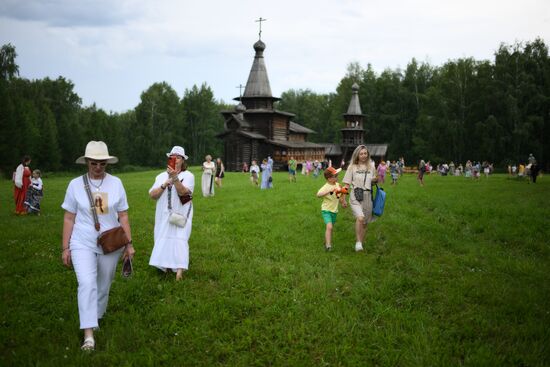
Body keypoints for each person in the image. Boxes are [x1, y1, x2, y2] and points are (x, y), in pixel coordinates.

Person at [61, 141, 134, 351]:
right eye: (94, 163)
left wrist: (129, 245)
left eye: (102, 163)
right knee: (86, 283)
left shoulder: (116, 183)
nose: (98, 167)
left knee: (104, 283)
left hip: (111, 242)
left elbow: (123, 215)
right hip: (82, 241)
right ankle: (89, 334)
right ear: (86, 162)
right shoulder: (75, 185)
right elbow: (68, 218)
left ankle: (97, 315)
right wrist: (65, 248)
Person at [149, 146, 194, 281]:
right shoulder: (160, 176)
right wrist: (164, 184)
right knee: (163, 237)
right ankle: (166, 266)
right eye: (172, 157)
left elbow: (183, 192)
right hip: (163, 213)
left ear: (182, 161)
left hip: (181, 212)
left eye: (178, 157)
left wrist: (174, 178)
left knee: (180, 238)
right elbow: (152, 195)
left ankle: (179, 270)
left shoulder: (188, 175)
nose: (174, 159)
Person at [342, 145, 378, 252]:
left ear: (368, 154)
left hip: (368, 196)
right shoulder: (352, 167)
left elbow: (374, 180)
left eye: (365, 153)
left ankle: (360, 244)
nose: (363, 156)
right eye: (361, 153)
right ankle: (358, 242)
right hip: (356, 195)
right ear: (357, 154)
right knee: (360, 218)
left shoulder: (371, 167)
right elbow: (346, 185)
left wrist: (375, 180)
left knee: (365, 222)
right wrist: (343, 198)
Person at [317, 167, 347, 251]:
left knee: (330, 228)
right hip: (326, 210)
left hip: (334, 211)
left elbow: (340, 196)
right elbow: (318, 194)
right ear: (329, 178)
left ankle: (326, 241)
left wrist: (343, 202)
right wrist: (329, 191)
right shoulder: (326, 186)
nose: (337, 177)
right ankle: (328, 246)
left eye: (337, 175)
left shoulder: (338, 185)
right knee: (329, 227)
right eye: (335, 176)